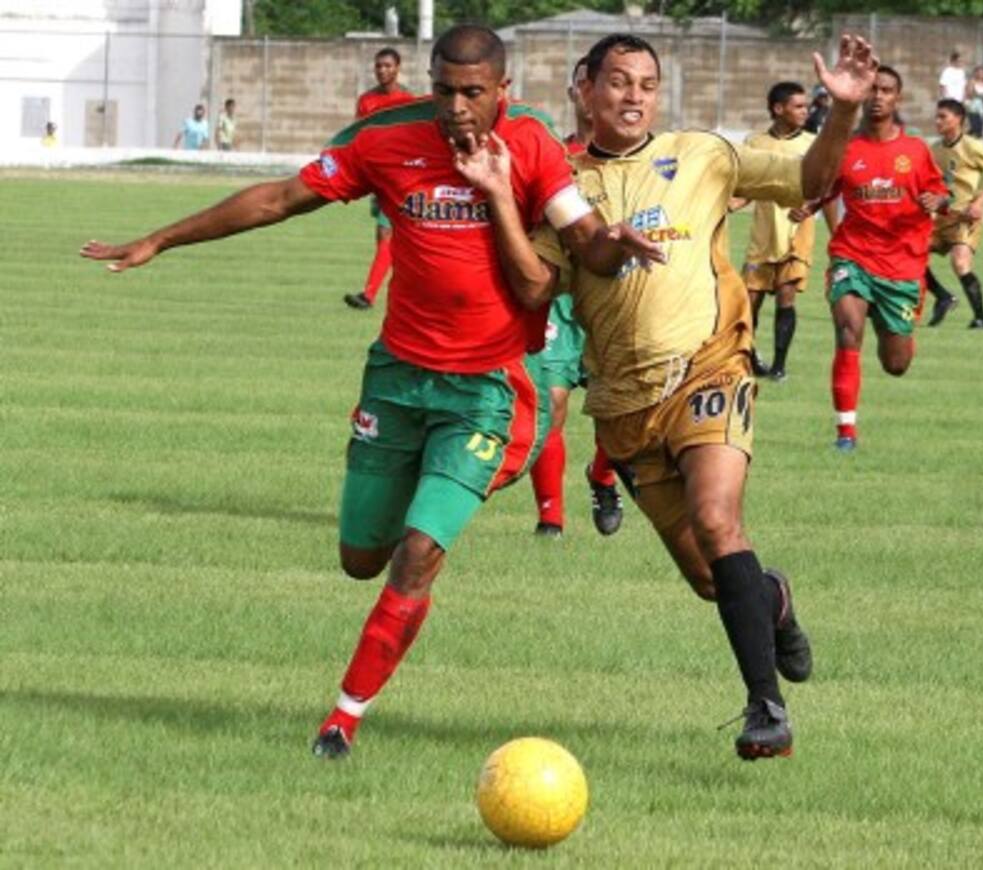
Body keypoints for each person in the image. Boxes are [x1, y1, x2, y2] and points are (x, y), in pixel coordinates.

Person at [80, 24, 658, 761]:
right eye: (444, 89)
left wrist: (608, 240)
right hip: (395, 381)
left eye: (473, 93)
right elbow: (280, 199)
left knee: (418, 552)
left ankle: (341, 721)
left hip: (483, 389)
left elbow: (579, 251)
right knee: (361, 557)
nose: (456, 107)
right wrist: (161, 238)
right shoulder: (386, 138)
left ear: (502, 91)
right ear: (429, 79)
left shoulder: (532, 147)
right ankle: (403, 525)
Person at [463, 32, 877, 759]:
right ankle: (771, 600)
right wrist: (500, 196)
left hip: (710, 367)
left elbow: (811, 179)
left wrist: (839, 114)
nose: (633, 96)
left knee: (720, 522)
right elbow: (535, 285)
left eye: (646, 84)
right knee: (712, 578)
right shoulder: (559, 185)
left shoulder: (703, 153)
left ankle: (766, 712)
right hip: (624, 406)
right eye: (618, 81)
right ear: (583, 88)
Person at [824, 65, 949, 452]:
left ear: (898, 98)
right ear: (862, 95)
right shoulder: (844, 146)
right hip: (853, 254)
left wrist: (938, 200)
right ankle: (846, 434)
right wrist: (807, 204)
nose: (878, 96)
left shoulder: (915, 151)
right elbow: (822, 189)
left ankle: (892, 321)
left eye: (887, 90)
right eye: (873, 90)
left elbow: (942, 194)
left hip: (902, 265)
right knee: (847, 331)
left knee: (896, 364)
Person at [528, 56, 624, 538]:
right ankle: (551, 520)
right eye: (582, 84)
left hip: (615, 300)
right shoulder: (552, 156)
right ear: (574, 94)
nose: (591, 93)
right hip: (563, 303)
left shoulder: (637, 163)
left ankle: (603, 475)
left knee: (621, 412)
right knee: (552, 403)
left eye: (601, 84)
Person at [732, 81, 833, 382]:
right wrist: (732, 202)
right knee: (748, 301)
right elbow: (748, 185)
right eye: (799, 106)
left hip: (796, 233)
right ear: (778, 109)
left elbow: (825, 188)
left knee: (786, 298)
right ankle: (748, 360)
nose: (806, 111)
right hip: (763, 235)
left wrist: (811, 207)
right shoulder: (754, 143)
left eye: (806, 106)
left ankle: (779, 365)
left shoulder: (813, 144)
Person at [343, 47, 417, 311]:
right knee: (389, 237)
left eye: (387, 66)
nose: (382, 70)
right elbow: (357, 137)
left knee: (387, 233)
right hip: (377, 177)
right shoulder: (366, 101)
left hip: (400, 178)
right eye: (378, 66)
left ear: (398, 68)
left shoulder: (408, 101)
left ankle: (369, 295)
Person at [924, 99, 983, 330]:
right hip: (940, 216)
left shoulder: (972, 146)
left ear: (958, 119)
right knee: (911, 253)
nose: (937, 121)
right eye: (937, 116)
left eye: (943, 117)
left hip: (965, 216)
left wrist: (980, 201)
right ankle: (943, 297)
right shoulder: (935, 149)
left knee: (960, 262)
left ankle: (981, 318)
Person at [966, 66, 983, 137]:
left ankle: (967, 137)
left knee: (979, 128)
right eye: (980, 72)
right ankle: (967, 138)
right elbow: (969, 93)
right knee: (976, 127)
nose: (981, 74)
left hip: (982, 108)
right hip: (974, 106)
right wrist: (978, 95)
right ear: (976, 73)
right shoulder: (973, 82)